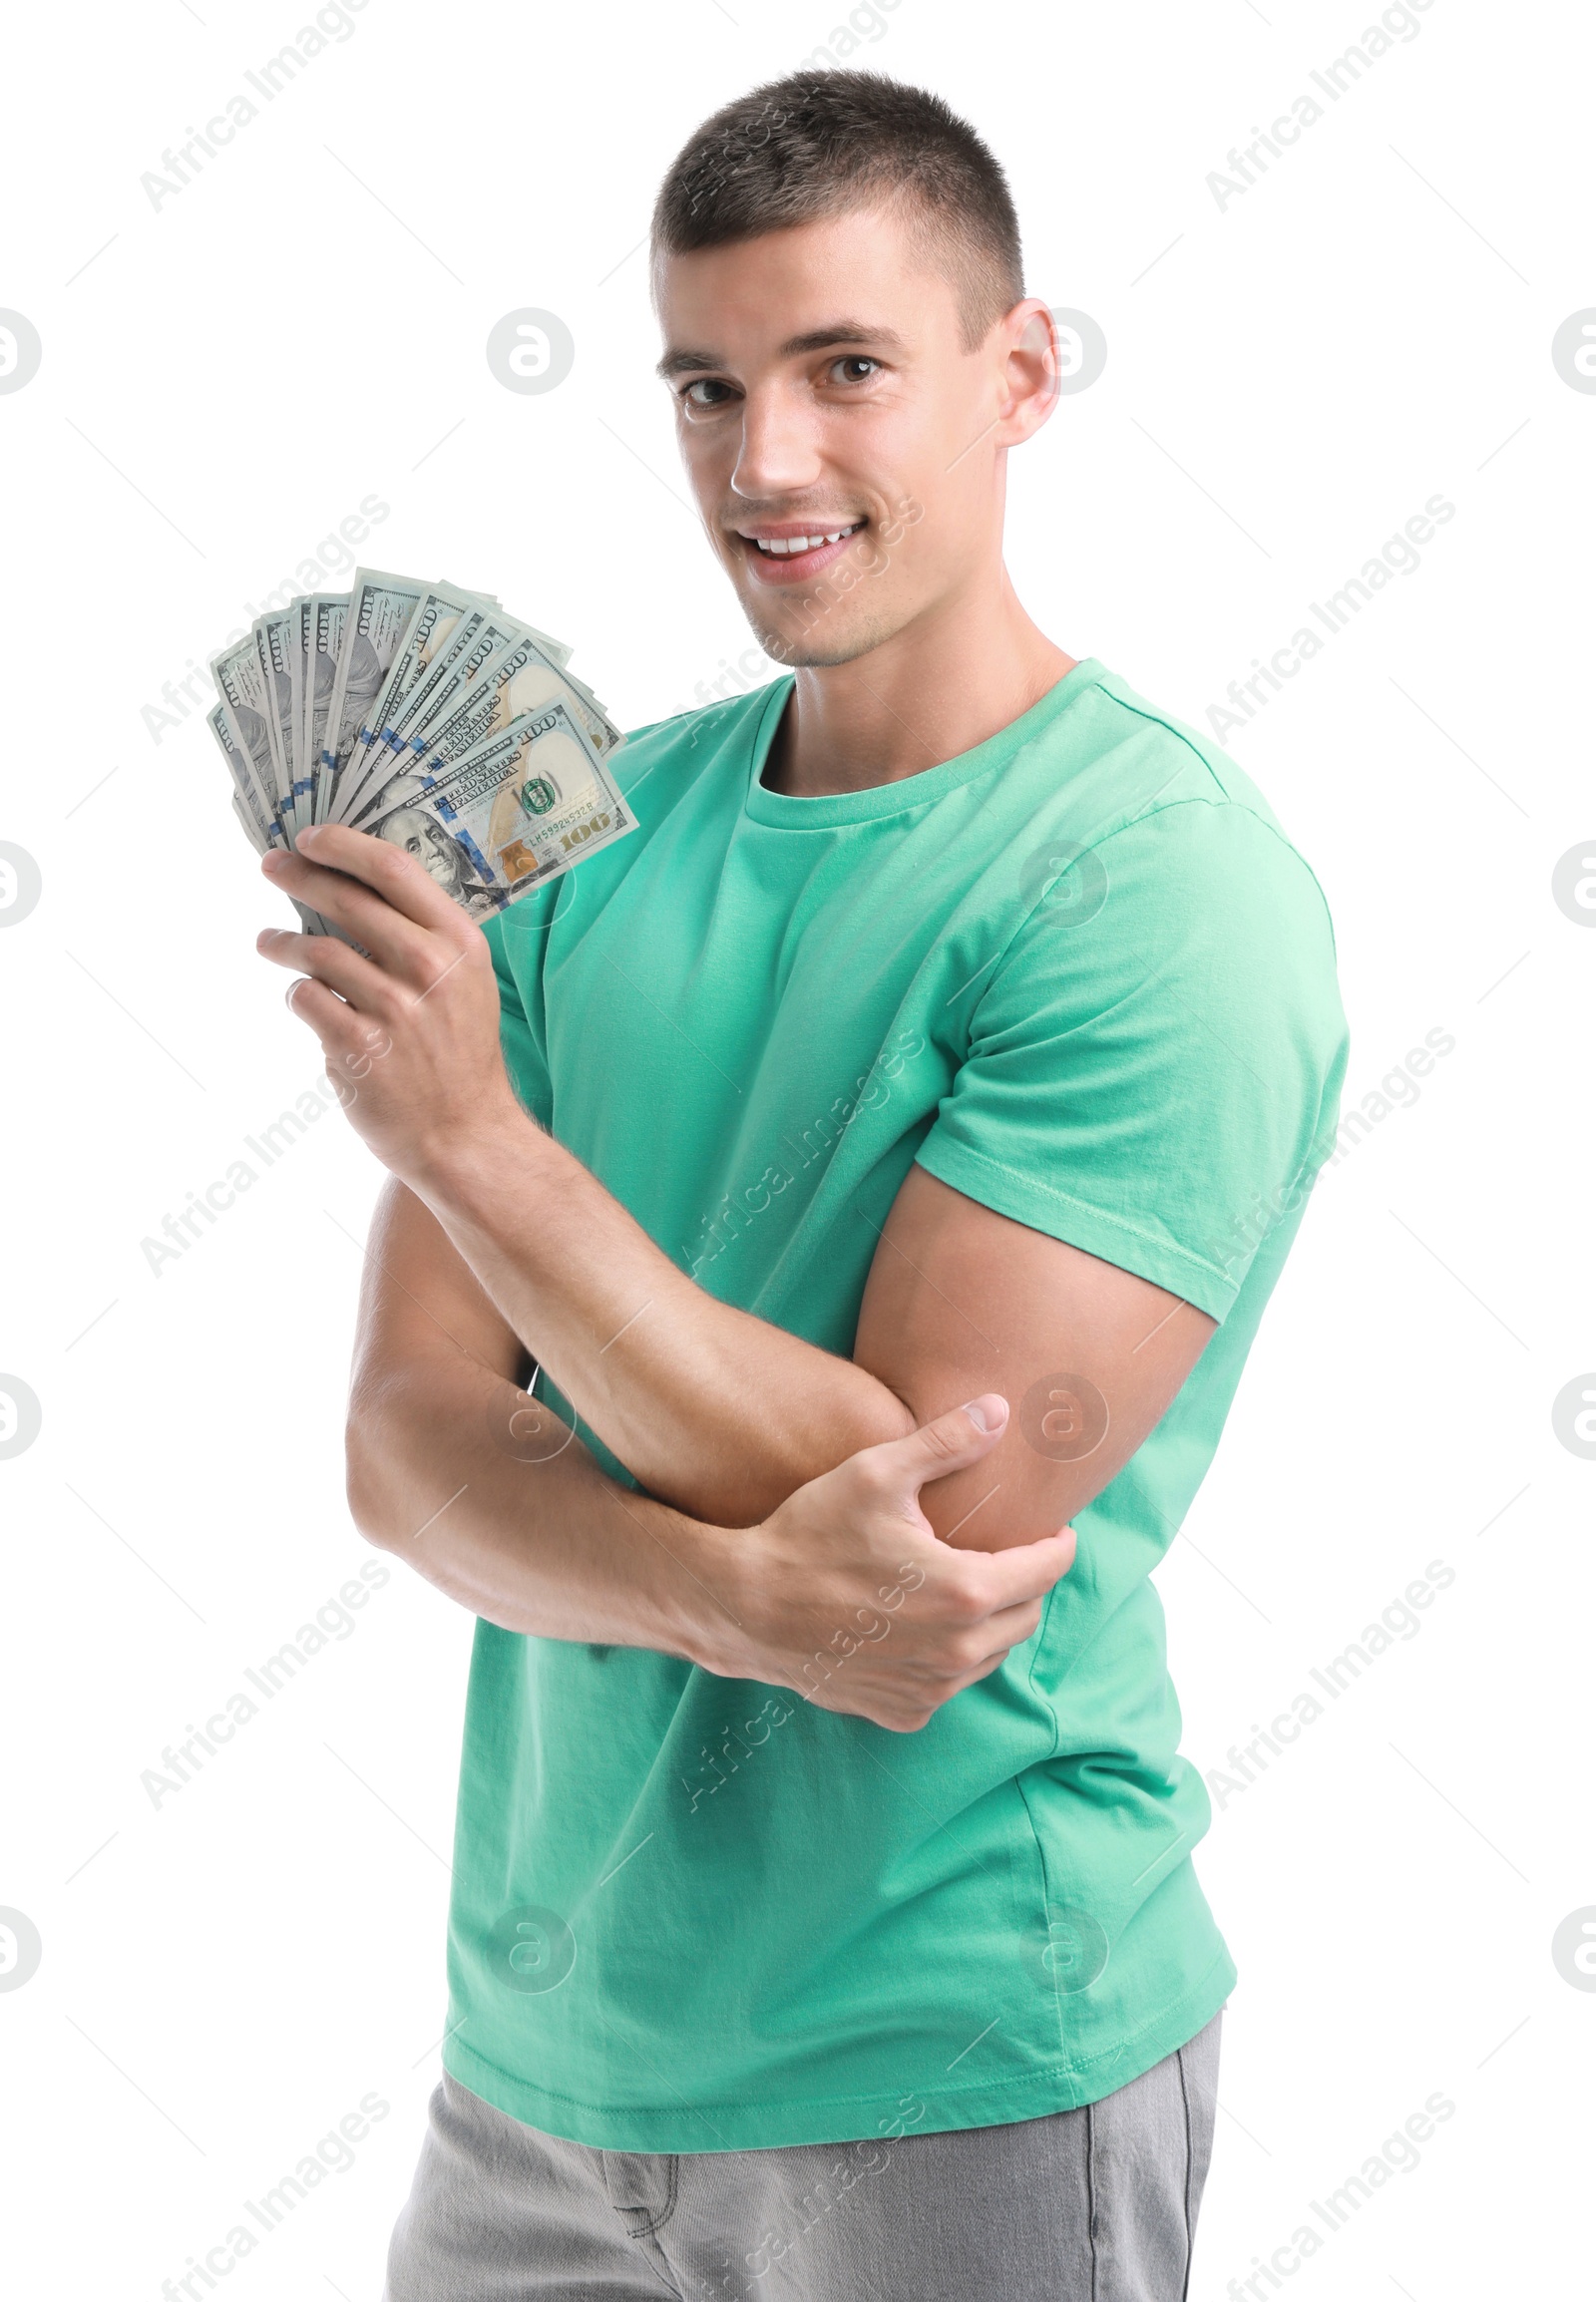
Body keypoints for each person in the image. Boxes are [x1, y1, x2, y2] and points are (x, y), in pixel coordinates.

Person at [255, 70, 1347, 2302]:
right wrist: (731, 1598)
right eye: (706, 387)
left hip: (951, 2059)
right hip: (537, 2075)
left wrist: (470, 1139)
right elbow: (406, 1444)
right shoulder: (586, 835)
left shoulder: (1152, 885)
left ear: (1015, 370)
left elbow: (929, 1530)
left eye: (845, 368)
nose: (764, 465)